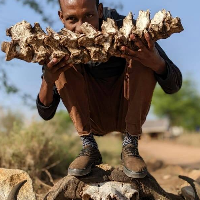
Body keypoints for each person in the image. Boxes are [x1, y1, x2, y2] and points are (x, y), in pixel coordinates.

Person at [36, 0, 182, 178]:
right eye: (72, 19)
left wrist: (156, 62)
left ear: (99, 10)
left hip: (128, 112)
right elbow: (46, 112)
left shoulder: (129, 30)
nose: (81, 28)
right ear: (61, 17)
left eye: (89, 16)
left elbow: (174, 85)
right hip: (92, 118)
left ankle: (130, 146)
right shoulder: (60, 43)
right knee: (61, 63)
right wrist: (48, 79)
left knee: (141, 52)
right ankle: (88, 146)